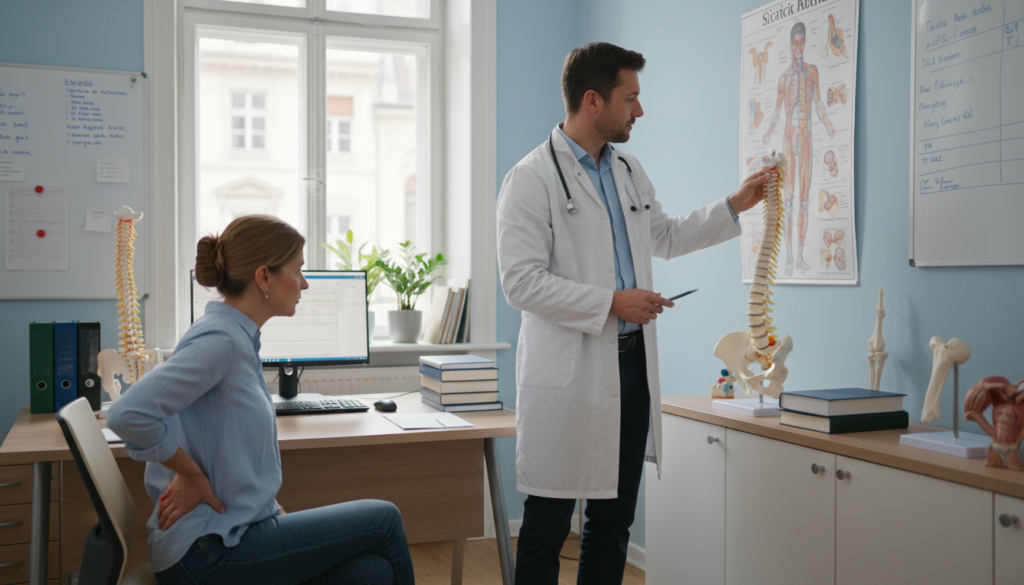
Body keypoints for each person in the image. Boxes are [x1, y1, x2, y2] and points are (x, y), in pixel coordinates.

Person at [496, 42, 768, 585]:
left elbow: (663, 234)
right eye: (631, 98)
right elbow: (520, 283)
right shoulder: (530, 179)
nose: (639, 111)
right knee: (548, 524)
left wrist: (734, 205)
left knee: (613, 523)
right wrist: (610, 304)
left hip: (630, 370)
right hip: (569, 374)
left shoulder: (627, 169)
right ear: (593, 101)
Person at [106, 215, 416, 585]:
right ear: (264, 277)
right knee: (384, 518)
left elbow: (228, 453)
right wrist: (190, 473)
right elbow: (128, 414)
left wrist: (269, 508)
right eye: (298, 270)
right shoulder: (219, 340)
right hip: (206, 555)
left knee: (373, 574)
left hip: (231, 534)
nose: (304, 283)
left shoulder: (237, 337)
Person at [762, 21, 836, 275]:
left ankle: (801, 256)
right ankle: (790, 259)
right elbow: (775, 110)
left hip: (806, 139)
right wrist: (769, 131)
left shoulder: (812, 72)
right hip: (789, 140)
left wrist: (827, 124)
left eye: (802, 41)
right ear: (791, 43)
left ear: (805, 42)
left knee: (804, 201)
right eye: (795, 41)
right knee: (789, 201)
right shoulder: (784, 78)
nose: (798, 45)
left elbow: (817, 104)